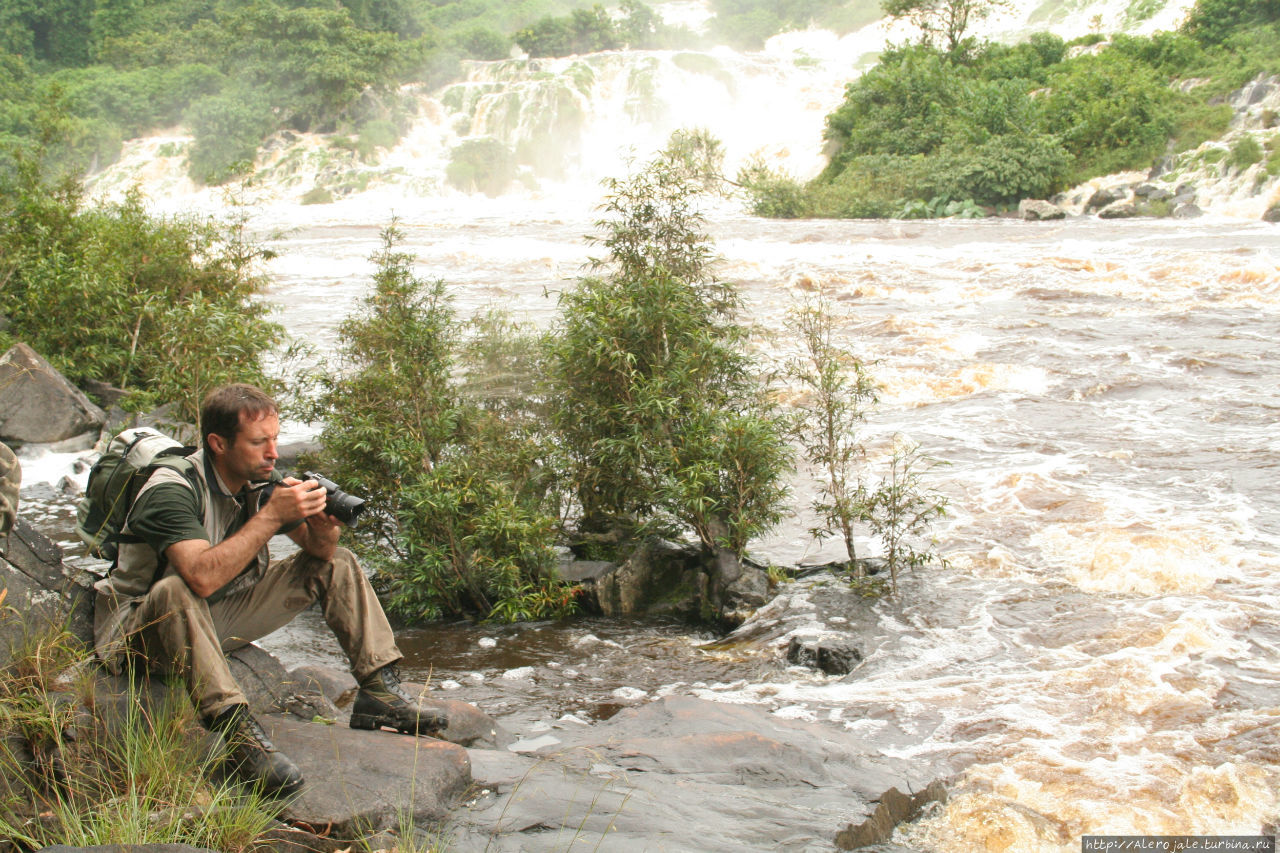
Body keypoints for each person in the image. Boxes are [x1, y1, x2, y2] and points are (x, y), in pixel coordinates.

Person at [92, 383, 445, 796]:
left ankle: (379, 692)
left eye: (275, 439)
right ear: (218, 444)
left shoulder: (259, 481)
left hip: (210, 617)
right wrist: (272, 516)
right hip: (140, 634)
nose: (274, 453)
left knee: (340, 562)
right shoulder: (170, 489)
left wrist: (323, 526)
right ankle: (239, 738)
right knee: (175, 588)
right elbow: (201, 579)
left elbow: (319, 554)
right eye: (260, 442)